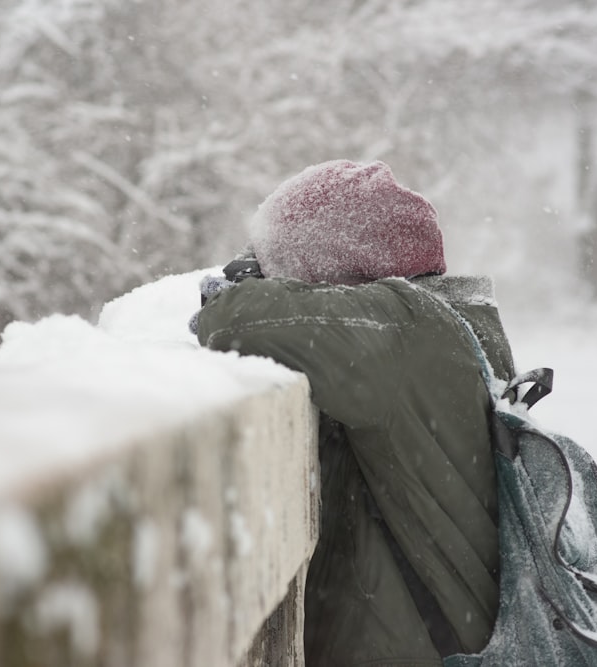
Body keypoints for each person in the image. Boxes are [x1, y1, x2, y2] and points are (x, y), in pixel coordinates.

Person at [191, 160, 516, 666]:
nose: (254, 267)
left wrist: (240, 287)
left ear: (329, 265)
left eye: (271, 258)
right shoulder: (453, 327)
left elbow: (237, 319)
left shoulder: (405, 328)